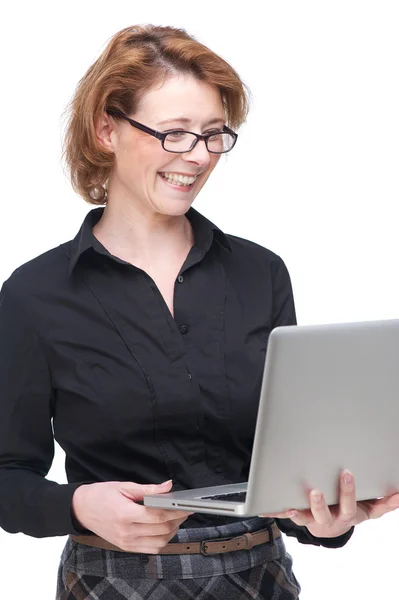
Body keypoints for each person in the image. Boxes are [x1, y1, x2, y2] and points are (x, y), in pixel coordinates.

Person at [1, 24, 398, 600]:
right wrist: (78, 505)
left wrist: (324, 519)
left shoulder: (261, 274)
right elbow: (8, 476)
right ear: (106, 129)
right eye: (175, 133)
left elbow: (281, 465)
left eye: (214, 135)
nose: (199, 156)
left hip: (260, 579)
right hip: (112, 583)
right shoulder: (35, 295)